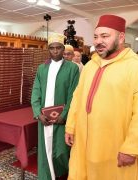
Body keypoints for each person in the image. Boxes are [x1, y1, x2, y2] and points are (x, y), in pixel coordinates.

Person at [65, 14, 138, 180]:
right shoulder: (91, 65)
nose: (99, 41)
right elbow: (77, 98)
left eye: (105, 36)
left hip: (114, 147)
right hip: (84, 142)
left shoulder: (137, 67)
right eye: (96, 36)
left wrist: (132, 148)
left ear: (121, 37)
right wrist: (70, 126)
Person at [31, 33, 80, 180]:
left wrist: (64, 116)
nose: (55, 51)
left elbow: (74, 95)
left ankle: (63, 175)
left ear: (63, 48)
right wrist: (38, 113)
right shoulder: (42, 69)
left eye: (58, 48)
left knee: (62, 151)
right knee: (45, 149)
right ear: (48, 49)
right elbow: (36, 91)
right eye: (52, 48)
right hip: (44, 117)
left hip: (62, 119)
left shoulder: (72, 68)